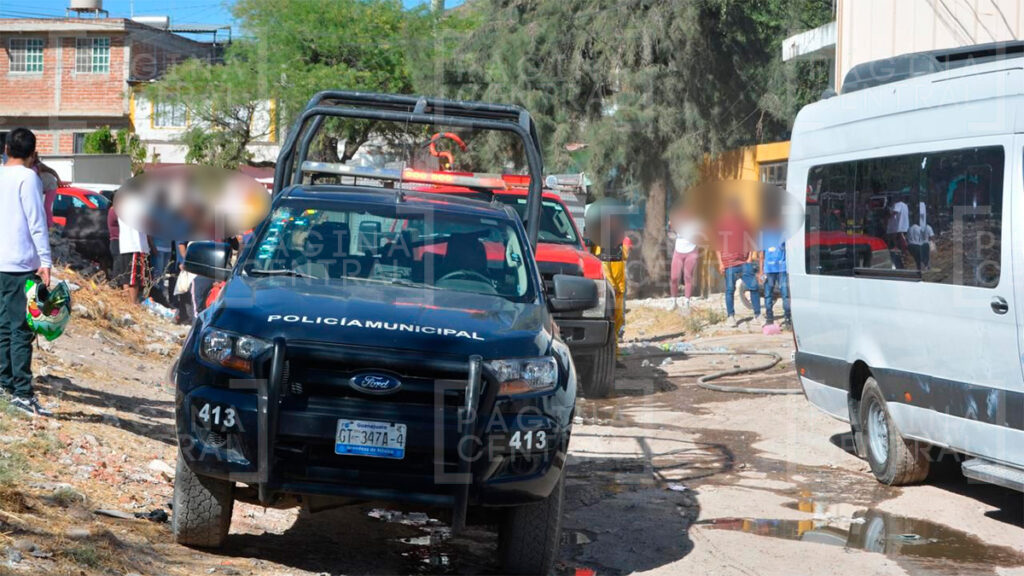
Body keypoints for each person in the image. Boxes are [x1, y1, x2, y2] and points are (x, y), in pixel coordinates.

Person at [0, 128, 53, 416]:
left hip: (1, 265)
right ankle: (22, 392)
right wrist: (45, 260)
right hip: (21, 265)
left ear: (7, 147)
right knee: (21, 330)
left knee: (3, 327)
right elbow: (37, 221)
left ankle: (5, 383)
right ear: (32, 153)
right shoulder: (28, 178)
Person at [715, 197, 761, 327]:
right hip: (729, 263)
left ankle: (758, 315)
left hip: (744, 262)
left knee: (754, 287)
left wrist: (749, 258)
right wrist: (720, 263)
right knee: (730, 290)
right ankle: (731, 317)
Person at [759, 223, 791, 328]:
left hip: (782, 269)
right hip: (768, 270)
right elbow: (761, 255)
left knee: (785, 295)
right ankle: (769, 318)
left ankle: (787, 318)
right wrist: (761, 271)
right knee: (768, 295)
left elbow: (789, 251)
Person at [668, 208, 700, 310]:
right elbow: (672, 225)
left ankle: (686, 302)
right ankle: (673, 302)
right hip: (678, 251)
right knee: (674, 278)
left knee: (687, 277)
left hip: (691, 251)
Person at [118, 213, 150, 307]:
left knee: (127, 278)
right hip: (135, 245)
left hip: (126, 246)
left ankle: (127, 304)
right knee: (134, 279)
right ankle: (132, 305)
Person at [887, 194, 910, 269]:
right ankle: (903, 250)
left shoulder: (898, 205)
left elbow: (895, 212)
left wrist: (888, 216)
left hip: (899, 225)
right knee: (900, 236)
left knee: (899, 236)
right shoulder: (905, 205)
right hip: (903, 224)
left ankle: (903, 249)